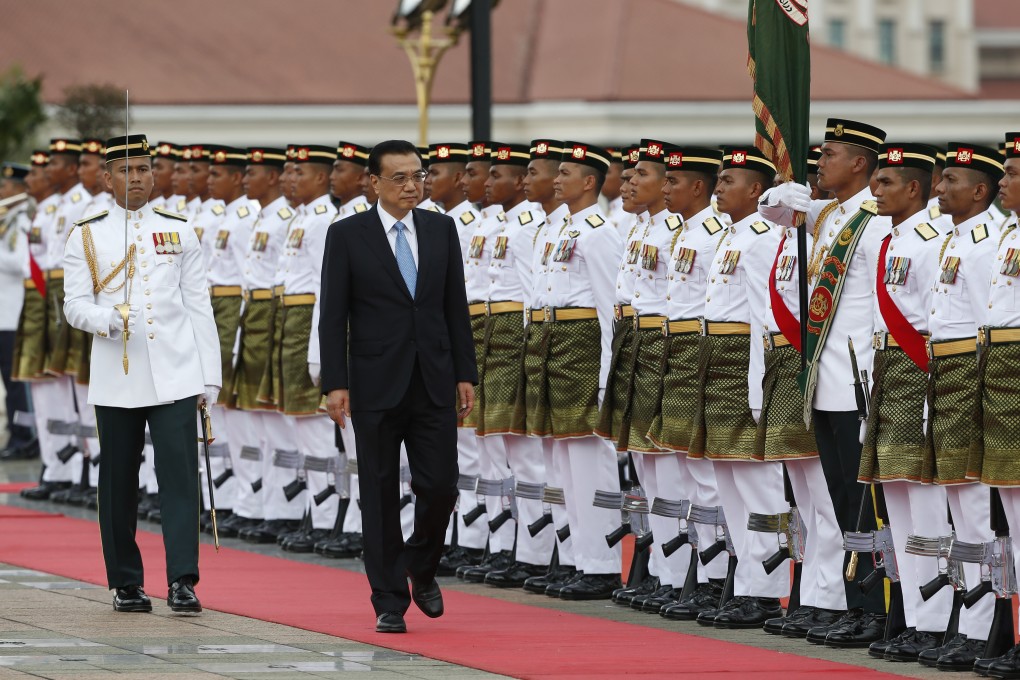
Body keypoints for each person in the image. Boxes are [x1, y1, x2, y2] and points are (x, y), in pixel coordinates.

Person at [319, 139, 477, 634]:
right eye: (400, 178)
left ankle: (421, 567)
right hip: (373, 383)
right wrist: (335, 383)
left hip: (432, 379)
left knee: (440, 485)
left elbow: (455, 305)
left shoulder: (441, 228)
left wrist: (464, 373)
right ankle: (388, 599)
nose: (412, 186)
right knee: (381, 491)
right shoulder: (346, 235)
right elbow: (333, 314)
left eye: (418, 176)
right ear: (374, 183)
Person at [62, 133, 221, 614]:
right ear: (106, 178)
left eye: (144, 170)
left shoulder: (180, 229)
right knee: (117, 483)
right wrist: (106, 319)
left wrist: (208, 378)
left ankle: (182, 580)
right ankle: (126, 581)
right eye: (127, 171)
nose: (137, 179)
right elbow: (73, 305)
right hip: (118, 373)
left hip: (175, 373)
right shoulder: (87, 232)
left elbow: (199, 307)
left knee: (178, 478)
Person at [0, 162, 33, 460]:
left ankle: (24, 437)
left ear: (21, 191)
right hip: (3, 316)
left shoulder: (21, 223)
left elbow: (23, 263)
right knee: (8, 385)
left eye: (7, 187)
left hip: (13, 315)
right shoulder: (6, 221)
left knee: (16, 384)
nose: (2, 191)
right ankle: (15, 433)